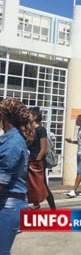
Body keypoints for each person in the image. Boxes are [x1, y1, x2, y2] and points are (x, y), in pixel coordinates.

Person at [0, 98, 35, 254]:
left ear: (3, 116)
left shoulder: (13, 142)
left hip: (8, 204)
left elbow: (2, 180)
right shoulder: (9, 139)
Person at [28, 107, 56, 210]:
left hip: (37, 162)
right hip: (29, 161)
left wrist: (36, 162)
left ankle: (53, 209)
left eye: (29, 114)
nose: (27, 116)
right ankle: (36, 204)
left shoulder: (40, 130)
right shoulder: (29, 130)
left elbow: (43, 149)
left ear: (34, 117)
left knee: (43, 185)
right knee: (31, 184)